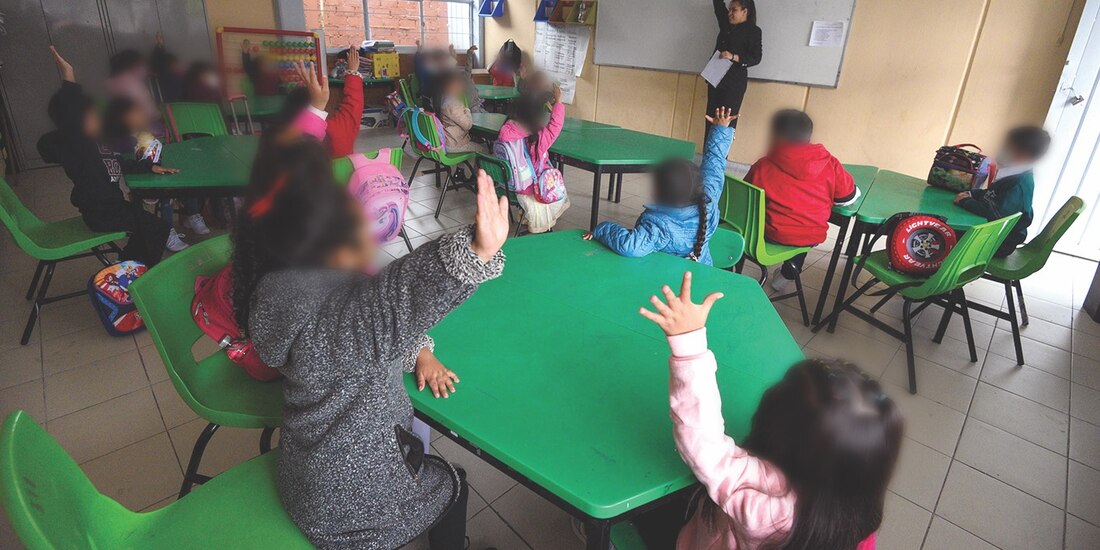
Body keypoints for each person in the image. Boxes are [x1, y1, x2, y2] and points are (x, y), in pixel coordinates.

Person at [230, 132, 509, 548]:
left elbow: (363, 336)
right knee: (454, 484)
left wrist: (419, 351)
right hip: (355, 510)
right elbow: (389, 305)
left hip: (304, 480)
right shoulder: (338, 311)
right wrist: (474, 252)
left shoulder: (269, 289)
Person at [636, 271, 902, 550]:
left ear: (777, 424)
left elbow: (704, 446)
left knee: (641, 513)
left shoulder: (767, 508)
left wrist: (689, 345)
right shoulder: (860, 511)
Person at [38, 47, 180, 266]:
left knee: (151, 226)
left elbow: (120, 164)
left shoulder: (98, 143)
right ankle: (134, 271)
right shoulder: (80, 145)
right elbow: (72, 114)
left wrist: (149, 167)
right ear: (75, 122)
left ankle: (129, 265)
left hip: (114, 207)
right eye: (93, 115)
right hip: (100, 213)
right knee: (154, 228)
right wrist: (69, 76)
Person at [584, 108, 736, 265]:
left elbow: (629, 246)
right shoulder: (709, 199)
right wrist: (720, 129)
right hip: (703, 275)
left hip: (668, 284)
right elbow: (714, 166)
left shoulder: (658, 225)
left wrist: (601, 229)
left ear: (658, 194)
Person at [745, 110, 858, 292]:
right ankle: (788, 275)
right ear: (809, 135)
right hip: (809, 236)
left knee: (787, 227)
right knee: (802, 231)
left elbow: (747, 197)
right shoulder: (830, 163)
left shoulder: (762, 165)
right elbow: (847, 198)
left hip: (767, 234)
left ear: (777, 137)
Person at [103, 96, 206, 248]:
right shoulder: (118, 140)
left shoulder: (145, 134)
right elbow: (121, 165)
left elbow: (156, 153)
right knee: (166, 194)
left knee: (180, 179)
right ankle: (167, 231)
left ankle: (192, 214)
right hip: (134, 178)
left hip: (153, 171)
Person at [955, 126, 1051, 257]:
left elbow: (996, 215)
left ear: (1022, 155)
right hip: (993, 233)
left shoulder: (1018, 185)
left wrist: (966, 202)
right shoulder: (1013, 173)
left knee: (941, 232)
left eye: (1008, 147)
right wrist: (973, 194)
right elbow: (991, 195)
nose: (1003, 150)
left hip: (999, 242)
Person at [496, 85, 570, 233]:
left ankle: (525, 215)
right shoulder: (537, 139)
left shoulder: (505, 132)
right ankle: (536, 220)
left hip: (507, 185)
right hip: (530, 190)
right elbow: (555, 125)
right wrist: (559, 102)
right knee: (559, 192)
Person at [272, 55, 362, 158]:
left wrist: (316, 107)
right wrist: (352, 72)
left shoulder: (281, 142)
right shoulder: (339, 130)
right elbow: (353, 105)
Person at [707, 0, 761, 136]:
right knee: (710, 119)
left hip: (734, 83)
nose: (730, 13)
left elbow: (756, 58)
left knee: (726, 122)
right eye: (729, 9)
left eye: (734, 10)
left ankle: (721, 157)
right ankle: (708, 156)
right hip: (716, 78)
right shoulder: (726, 24)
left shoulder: (753, 31)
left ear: (745, 11)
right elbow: (719, 7)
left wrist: (734, 57)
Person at [105, 48, 164, 138]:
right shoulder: (134, 85)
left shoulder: (113, 84)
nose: (144, 68)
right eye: (141, 65)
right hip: (145, 127)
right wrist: (161, 116)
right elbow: (149, 110)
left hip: (124, 129)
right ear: (133, 66)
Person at [434, 70, 487, 154]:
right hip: (455, 144)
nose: (461, 86)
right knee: (484, 150)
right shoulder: (453, 104)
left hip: (448, 141)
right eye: (458, 83)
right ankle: (477, 167)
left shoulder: (441, 99)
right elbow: (468, 125)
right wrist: (467, 110)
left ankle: (464, 167)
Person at [150, 32, 185, 103]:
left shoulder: (162, 76)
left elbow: (157, 61)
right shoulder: (175, 79)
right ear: (171, 65)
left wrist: (159, 46)